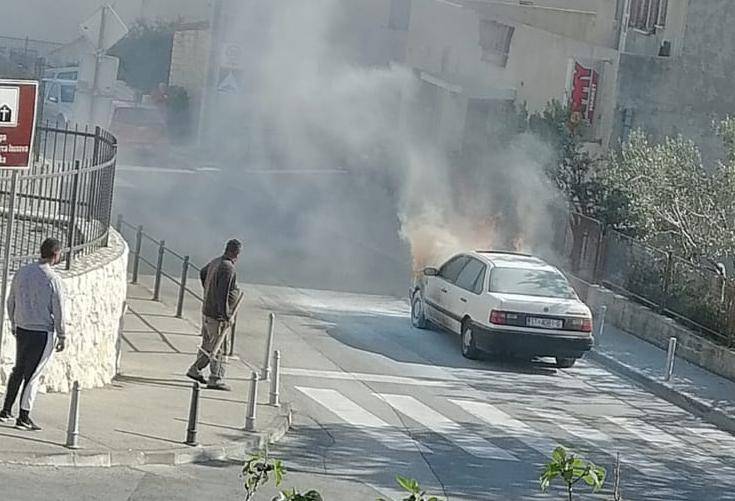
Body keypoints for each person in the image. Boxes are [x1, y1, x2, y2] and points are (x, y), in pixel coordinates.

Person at [0, 238, 66, 431]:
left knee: (18, 369)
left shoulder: (23, 272)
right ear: (55, 254)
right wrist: (62, 334)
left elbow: (11, 300)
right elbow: (59, 308)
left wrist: (14, 321)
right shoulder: (53, 279)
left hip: (22, 327)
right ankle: (24, 416)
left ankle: (5, 410)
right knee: (33, 374)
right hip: (42, 331)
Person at [186, 239, 242, 391]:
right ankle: (216, 378)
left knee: (208, 345)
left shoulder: (216, 262)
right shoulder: (227, 268)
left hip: (207, 311)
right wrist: (226, 315)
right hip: (216, 316)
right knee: (220, 346)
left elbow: (203, 272)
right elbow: (222, 294)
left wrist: (207, 290)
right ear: (236, 253)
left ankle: (195, 370)